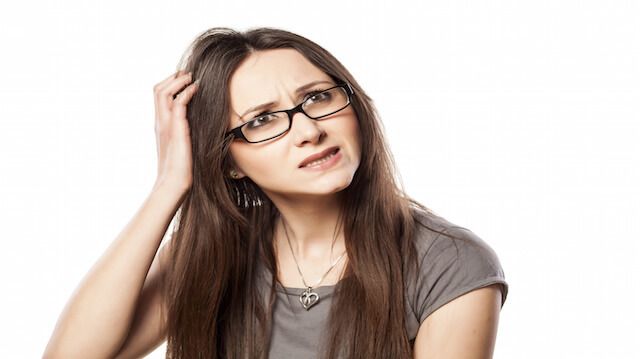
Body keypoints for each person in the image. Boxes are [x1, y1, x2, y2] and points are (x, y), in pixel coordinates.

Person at [43, 27, 509, 359]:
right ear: (228, 160)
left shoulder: (449, 263)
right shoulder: (214, 253)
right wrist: (169, 186)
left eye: (318, 97)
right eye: (262, 119)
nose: (308, 129)